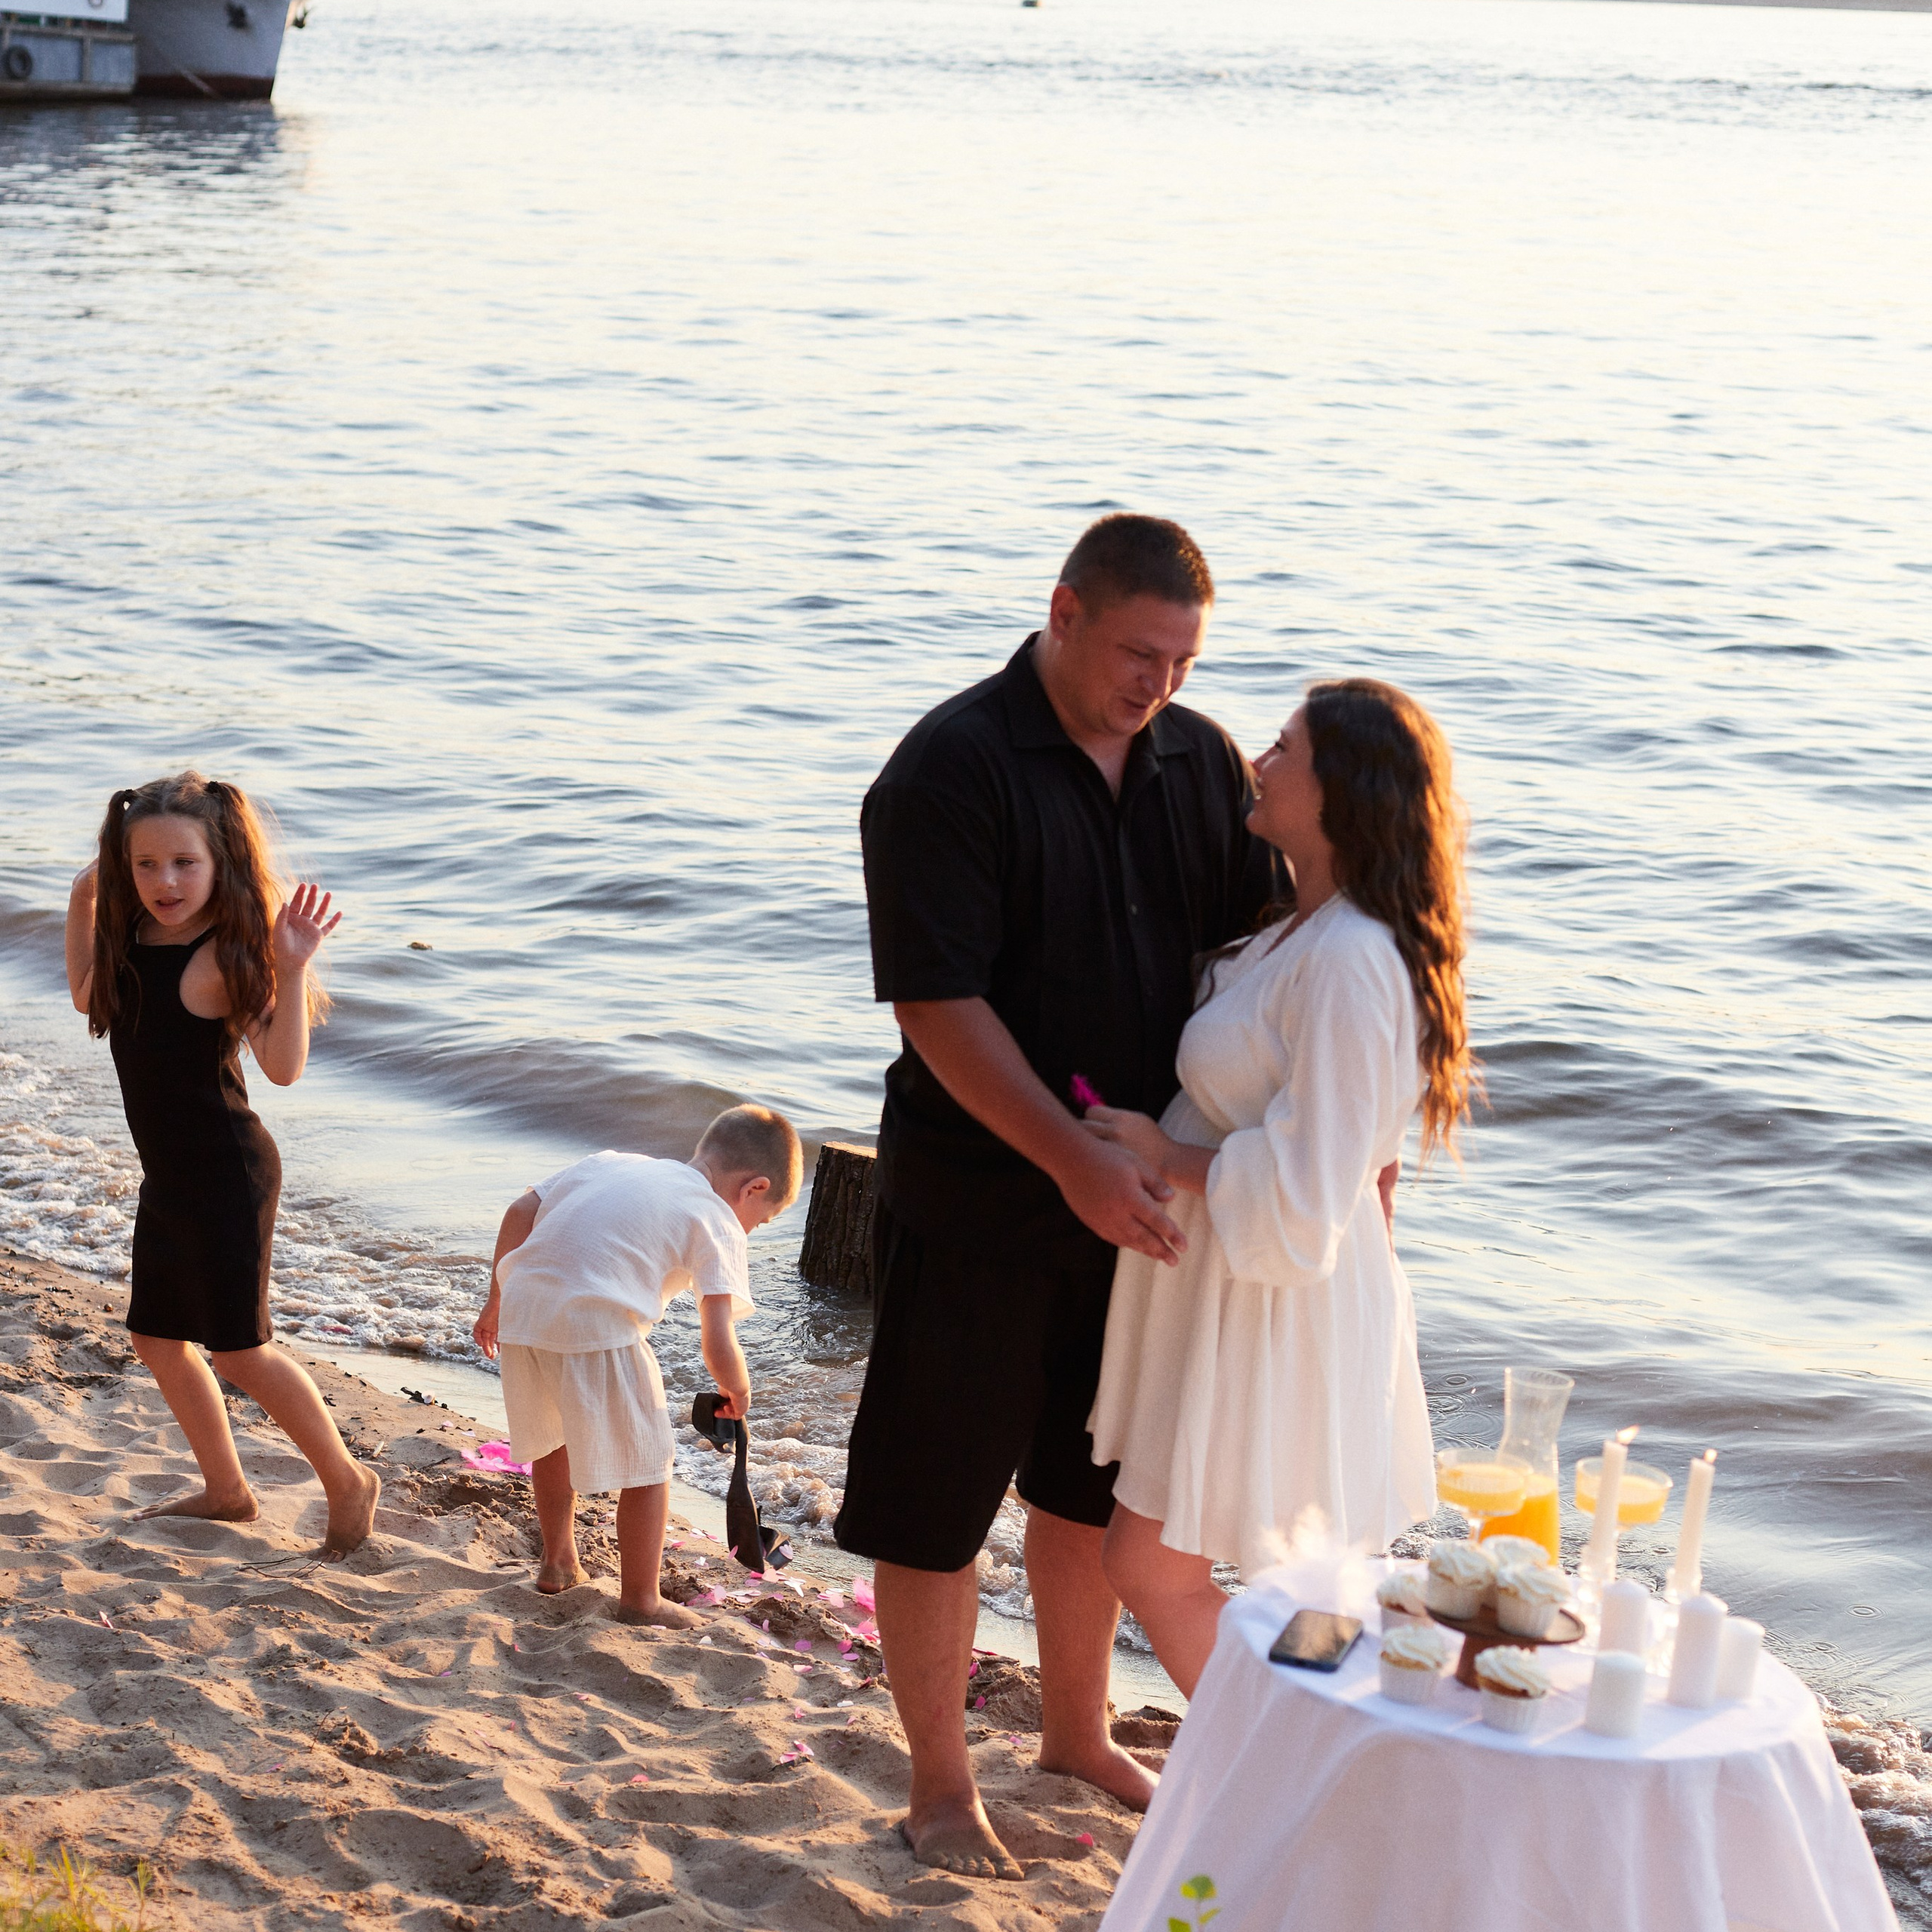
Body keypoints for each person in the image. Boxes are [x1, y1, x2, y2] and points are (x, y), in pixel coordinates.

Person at [835, 514, 1283, 1880]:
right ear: (1066, 611)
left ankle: (1077, 1733)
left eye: (1186, 660)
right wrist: (1072, 1161)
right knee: (934, 1500)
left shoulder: (1199, 759)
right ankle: (935, 1780)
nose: (1161, 683)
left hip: (1141, 1203)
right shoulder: (950, 769)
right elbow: (939, 1009)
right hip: (979, 1199)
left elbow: (1267, 948)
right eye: (1142, 652)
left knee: (1089, 1493)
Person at [1083, 678, 1475, 1696]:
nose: (1259, 761)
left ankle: (1294, 1769)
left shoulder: (1350, 958)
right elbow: (1367, 1162)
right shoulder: (1301, 931)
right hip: (1242, 1293)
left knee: (1257, 1585)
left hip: (1278, 1300)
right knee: (1254, 1585)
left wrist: (1160, 1156)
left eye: (1285, 748)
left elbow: (1310, 1187)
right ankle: (1293, 1773)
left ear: (1342, 788)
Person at [64, 771, 381, 1555]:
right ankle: (227, 1489)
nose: (165, 882)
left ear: (221, 861)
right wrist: (83, 900)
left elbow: (282, 1068)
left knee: (241, 1351)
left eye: (184, 863)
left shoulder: (229, 952)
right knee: (157, 1339)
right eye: (145, 866)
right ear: (121, 866)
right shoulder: (131, 936)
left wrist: (294, 964)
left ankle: (347, 1480)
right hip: (169, 1176)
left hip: (228, 1175)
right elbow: (83, 994)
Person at [471, 1105, 801, 1627]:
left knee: (553, 1441)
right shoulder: (716, 1218)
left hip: (524, 1311)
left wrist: (495, 1302)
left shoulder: (613, 1161)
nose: (752, 1231)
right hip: (597, 1323)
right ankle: (641, 1600)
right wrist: (736, 1388)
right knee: (650, 1467)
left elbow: (519, 1211)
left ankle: (558, 1561)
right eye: (762, 1222)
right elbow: (716, 1335)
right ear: (754, 1189)